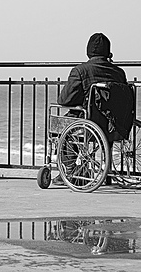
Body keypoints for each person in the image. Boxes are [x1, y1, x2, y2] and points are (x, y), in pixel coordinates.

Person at [53, 33, 131, 185]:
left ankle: (71, 171)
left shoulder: (80, 71)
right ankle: (105, 172)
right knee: (104, 121)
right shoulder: (119, 73)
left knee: (61, 128)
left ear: (88, 51)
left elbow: (65, 100)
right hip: (114, 125)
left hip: (89, 122)